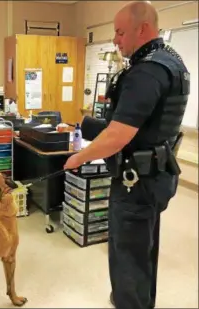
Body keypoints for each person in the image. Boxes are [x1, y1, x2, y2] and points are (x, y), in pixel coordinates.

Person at [64, 1, 190, 309]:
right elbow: (136, 126)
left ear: (142, 29)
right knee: (142, 252)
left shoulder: (146, 72)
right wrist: (82, 124)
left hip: (137, 182)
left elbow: (118, 136)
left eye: (120, 32)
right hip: (155, 175)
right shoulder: (170, 61)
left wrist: (78, 158)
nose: (116, 40)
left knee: (127, 258)